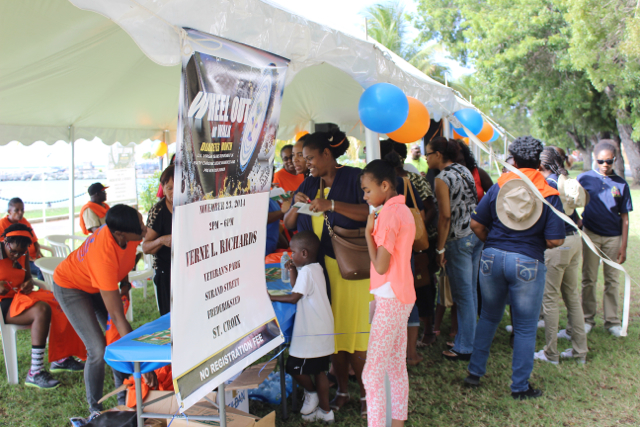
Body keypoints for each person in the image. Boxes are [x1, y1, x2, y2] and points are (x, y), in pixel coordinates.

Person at [466, 136, 565, 399]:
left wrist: (495, 245)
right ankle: (519, 387)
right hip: (528, 262)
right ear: (539, 160)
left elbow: (476, 224)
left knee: (488, 317)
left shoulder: (501, 185)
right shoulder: (549, 192)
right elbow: (556, 239)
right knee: (524, 328)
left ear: (515, 159)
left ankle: (474, 373)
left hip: (491, 257)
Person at [283, 129, 370, 417]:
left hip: (349, 270)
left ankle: (368, 395)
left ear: (327, 154)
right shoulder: (309, 183)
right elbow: (290, 221)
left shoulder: (354, 178)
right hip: (320, 275)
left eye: (310, 158)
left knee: (355, 336)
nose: (306, 163)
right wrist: (297, 206)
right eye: (302, 158)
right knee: (335, 337)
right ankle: (343, 390)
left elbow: (371, 213)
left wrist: (331, 205)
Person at [53, 204, 157, 418]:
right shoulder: (103, 257)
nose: (144, 229)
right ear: (119, 234)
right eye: (140, 228)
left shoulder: (127, 231)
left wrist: (125, 285)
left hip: (97, 283)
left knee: (117, 339)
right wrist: (144, 364)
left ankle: (123, 400)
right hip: (71, 287)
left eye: (141, 221)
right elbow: (118, 318)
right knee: (98, 349)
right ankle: (95, 410)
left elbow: (126, 260)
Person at [361, 159, 416, 427]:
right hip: (400, 294)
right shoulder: (402, 209)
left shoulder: (388, 216)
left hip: (391, 295)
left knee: (371, 375)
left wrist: (367, 235)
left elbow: (381, 265)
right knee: (395, 367)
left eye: (368, 190)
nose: (365, 196)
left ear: (385, 185)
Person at [0, 224, 85, 389]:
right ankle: (35, 372)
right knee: (42, 310)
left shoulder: (22, 254)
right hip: (4, 304)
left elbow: (27, 278)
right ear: (5, 242)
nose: (16, 256)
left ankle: (62, 358)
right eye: (13, 252)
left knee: (60, 300)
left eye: (21, 252)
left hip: (20, 297)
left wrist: (28, 284)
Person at [425, 137, 483, 361]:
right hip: (475, 235)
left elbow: (445, 216)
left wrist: (440, 249)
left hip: (458, 240)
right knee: (470, 293)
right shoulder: (464, 170)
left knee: (463, 294)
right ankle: (469, 339)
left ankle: (465, 347)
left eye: (428, 154)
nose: (427, 158)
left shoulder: (442, 178)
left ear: (439, 154)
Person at [269, 231, 335, 423]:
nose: (291, 256)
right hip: (323, 328)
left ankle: (311, 393)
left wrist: (269, 296)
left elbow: (293, 297)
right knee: (320, 370)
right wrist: (291, 269)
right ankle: (326, 411)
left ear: (304, 253)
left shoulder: (307, 272)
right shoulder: (315, 268)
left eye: (293, 252)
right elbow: (297, 286)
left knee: (294, 367)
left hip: (312, 332)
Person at [534, 147, 588, 364]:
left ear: (541, 165)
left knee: (550, 299)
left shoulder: (548, 184)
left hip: (559, 245)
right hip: (575, 239)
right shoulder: (565, 179)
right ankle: (580, 351)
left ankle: (551, 353)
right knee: (572, 296)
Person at [577, 141, 633, 337]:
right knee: (588, 279)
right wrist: (578, 222)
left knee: (612, 279)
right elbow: (571, 202)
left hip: (613, 237)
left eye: (608, 161)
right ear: (595, 158)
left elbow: (625, 217)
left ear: (614, 160)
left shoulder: (621, 183)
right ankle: (586, 319)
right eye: (601, 161)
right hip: (591, 234)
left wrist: (623, 245)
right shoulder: (583, 179)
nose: (604, 165)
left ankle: (612, 322)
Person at [143, 165, 174, 315]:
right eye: (169, 188)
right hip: (166, 271)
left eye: (179, 187)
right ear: (162, 188)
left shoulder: (193, 205)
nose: (174, 193)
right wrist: (161, 240)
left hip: (190, 270)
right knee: (169, 316)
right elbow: (146, 247)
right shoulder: (158, 211)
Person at [0, 198, 44, 280]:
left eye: (22, 210)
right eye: (17, 210)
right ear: (9, 211)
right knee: (41, 270)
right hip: (19, 260)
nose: (20, 213)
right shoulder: (2, 224)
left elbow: (35, 242)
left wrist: (40, 256)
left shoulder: (24, 221)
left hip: (31, 258)